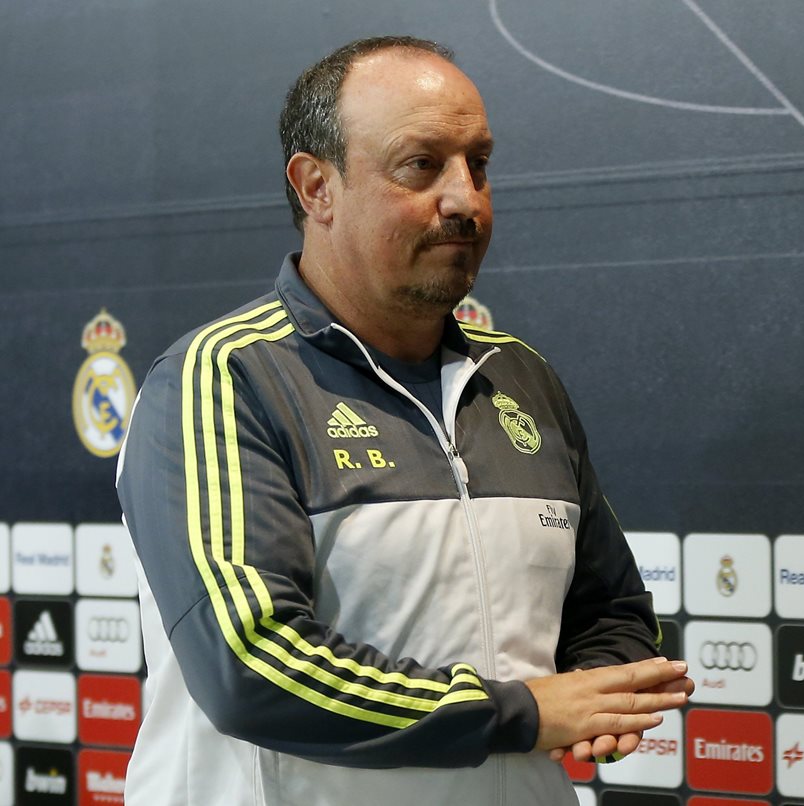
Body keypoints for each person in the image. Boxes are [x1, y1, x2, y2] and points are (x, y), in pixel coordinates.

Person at [116, 35, 691, 806]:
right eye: (422, 165)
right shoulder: (223, 378)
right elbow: (251, 666)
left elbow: (609, 608)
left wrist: (604, 688)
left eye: (478, 164)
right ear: (317, 187)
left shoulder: (518, 375)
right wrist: (519, 714)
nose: (465, 199)